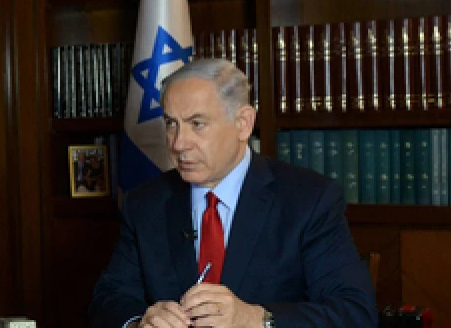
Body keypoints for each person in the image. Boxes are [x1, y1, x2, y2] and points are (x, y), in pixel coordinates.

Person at [89, 58, 376, 328]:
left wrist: (257, 319)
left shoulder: (309, 200)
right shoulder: (145, 203)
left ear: (243, 124)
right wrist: (139, 321)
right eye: (171, 123)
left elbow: (355, 312)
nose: (178, 143)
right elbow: (107, 299)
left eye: (197, 124)